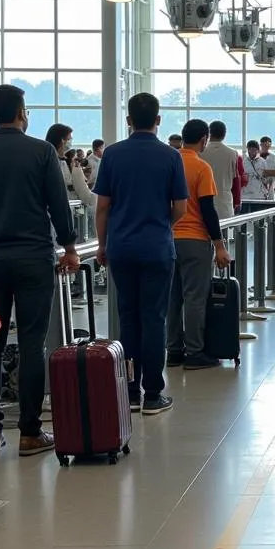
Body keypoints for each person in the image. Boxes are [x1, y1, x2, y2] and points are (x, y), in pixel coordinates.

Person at [0, 85, 79, 458]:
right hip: (34, 259)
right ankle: (30, 431)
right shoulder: (41, 152)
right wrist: (70, 247)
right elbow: (59, 205)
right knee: (32, 342)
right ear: (22, 112)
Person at [94, 93, 188, 416]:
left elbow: (102, 207)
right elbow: (181, 207)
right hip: (158, 248)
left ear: (128, 120)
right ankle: (153, 393)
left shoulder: (112, 155)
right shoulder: (171, 157)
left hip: (121, 248)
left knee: (128, 319)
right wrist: (162, 223)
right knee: (155, 318)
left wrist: (102, 244)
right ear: (158, 120)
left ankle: (129, 390)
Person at [166, 119, 232, 371]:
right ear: (204, 139)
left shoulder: (169, 163)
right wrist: (220, 245)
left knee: (172, 297)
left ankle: (173, 350)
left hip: (168, 239)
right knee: (194, 297)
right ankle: (194, 352)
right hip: (194, 240)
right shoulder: (201, 167)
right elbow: (208, 209)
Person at [46, 123, 96, 210]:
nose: (70, 141)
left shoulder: (60, 162)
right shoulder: (60, 163)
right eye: (69, 139)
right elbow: (84, 193)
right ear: (62, 140)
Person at [203, 120, 240, 220]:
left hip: (203, 202)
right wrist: (237, 201)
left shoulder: (200, 152)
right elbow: (236, 180)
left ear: (209, 133)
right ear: (224, 134)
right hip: (225, 202)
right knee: (225, 233)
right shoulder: (232, 153)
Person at [242, 139, 272, 209]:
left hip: (259, 195)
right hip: (245, 195)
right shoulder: (243, 162)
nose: (251, 151)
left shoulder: (263, 162)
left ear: (257, 150)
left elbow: (267, 179)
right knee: (244, 216)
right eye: (249, 149)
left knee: (258, 216)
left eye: (253, 149)